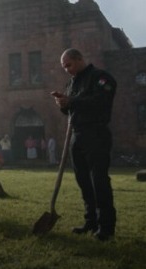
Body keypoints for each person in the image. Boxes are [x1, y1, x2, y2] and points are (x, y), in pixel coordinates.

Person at [51, 48, 118, 241]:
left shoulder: (101, 77)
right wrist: (63, 104)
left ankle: (106, 227)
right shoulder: (72, 83)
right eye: (64, 67)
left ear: (80, 59)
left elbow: (100, 101)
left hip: (96, 134)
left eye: (69, 65)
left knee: (99, 180)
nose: (67, 70)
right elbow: (71, 110)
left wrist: (72, 100)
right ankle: (91, 221)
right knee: (83, 181)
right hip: (77, 135)